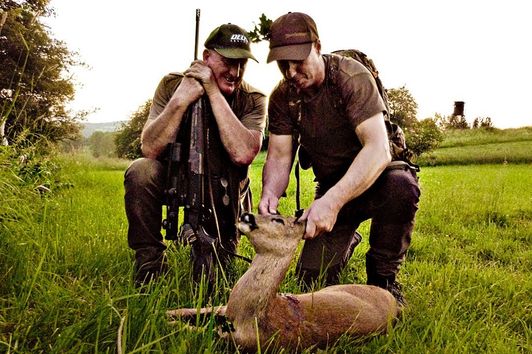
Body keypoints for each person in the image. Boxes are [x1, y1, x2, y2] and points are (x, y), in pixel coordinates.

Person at [259, 12, 420, 305]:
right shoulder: (282, 98)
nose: (292, 72)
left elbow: (378, 149)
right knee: (310, 281)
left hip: (377, 178)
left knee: (402, 185)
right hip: (333, 186)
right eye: (284, 64)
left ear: (317, 47)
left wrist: (331, 203)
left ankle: (384, 279)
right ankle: (346, 242)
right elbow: (280, 157)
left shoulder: (350, 76)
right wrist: (270, 194)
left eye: (299, 61)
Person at [124, 23, 266, 286]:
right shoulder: (171, 85)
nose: (235, 72)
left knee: (217, 272)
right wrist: (181, 100)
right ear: (206, 57)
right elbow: (150, 148)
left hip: (226, 189)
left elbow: (243, 153)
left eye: (241, 64)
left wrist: (212, 91)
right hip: (177, 179)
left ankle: (224, 240)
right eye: (227, 61)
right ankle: (149, 262)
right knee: (140, 170)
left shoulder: (253, 99)